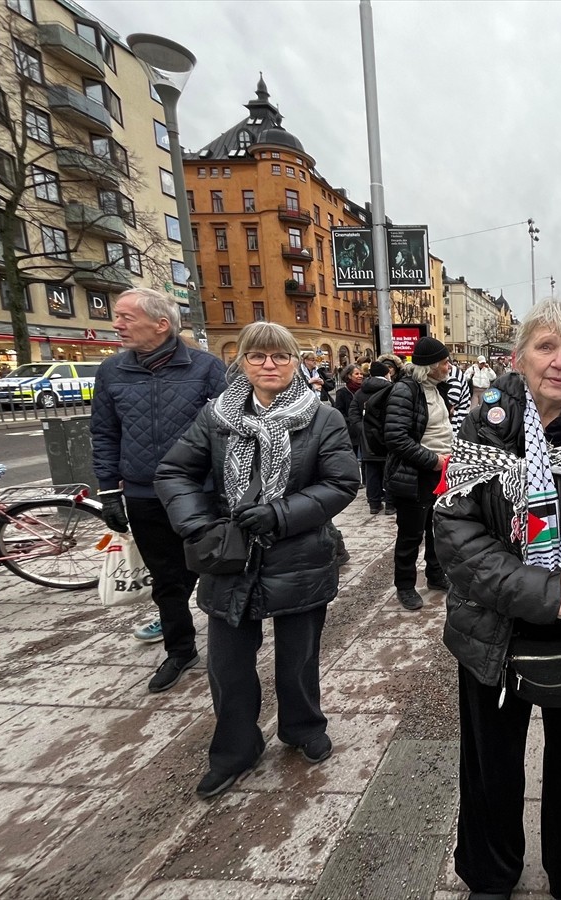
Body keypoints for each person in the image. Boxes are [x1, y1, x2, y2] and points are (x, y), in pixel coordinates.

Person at [434, 299, 561, 900]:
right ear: (520, 355)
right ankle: (489, 873)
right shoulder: (484, 425)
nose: (560, 361)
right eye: (546, 347)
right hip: (495, 628)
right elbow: (456, 531)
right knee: (489, 765)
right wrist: (544, 592)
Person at [154, 321, 360, 798]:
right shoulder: (217, 416)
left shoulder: (322, 417)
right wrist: (200, 525)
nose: (270, 365)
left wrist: (280, 514)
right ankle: (235, 749)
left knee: (298, 657)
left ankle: (303, 727)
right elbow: (174, 471)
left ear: (296, 362)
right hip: (230, 558)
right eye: (258, 356)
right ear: (241, 362)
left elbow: (340, 482)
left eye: (280, 356)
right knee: (226, 664)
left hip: (299, 554)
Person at [90, 288, 227, 689]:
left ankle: (229, 643)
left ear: (161, 324)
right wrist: (108, 490)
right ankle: (180, 650)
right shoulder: (112, 371)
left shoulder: (205, 367)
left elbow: (228, 430)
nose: (117, 325)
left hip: (197, 491)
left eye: (126, 317)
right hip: (142, 493)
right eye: (117, 317)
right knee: (165, 578)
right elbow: (104, 432)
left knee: (211, 567)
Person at [385, 336, 455, 610]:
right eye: (445, 362)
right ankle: (405, 585)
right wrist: (433, 461)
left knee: (437, 529)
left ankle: (436, 576)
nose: (449, 366)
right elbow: (396, 438)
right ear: (432, 365)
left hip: (440, 472)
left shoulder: (437, 388)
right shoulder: (406, 391)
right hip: (415, 475)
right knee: (410, 535)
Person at [347, 361, 394, 514]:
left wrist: (362, 429)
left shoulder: (361, 392)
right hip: (388, 436)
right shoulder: (392, 390)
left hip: (367, 438)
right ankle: (391, 504)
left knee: (372, 470)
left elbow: (353, 413)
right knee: (390, 470)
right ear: (387, 373)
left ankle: (374, 504)